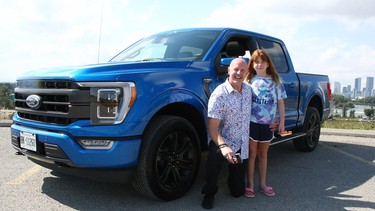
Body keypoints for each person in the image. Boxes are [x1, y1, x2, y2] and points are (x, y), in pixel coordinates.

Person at [201, 58, 252, 209]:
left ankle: (233, 180)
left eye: (243, 70)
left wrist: (274, 120)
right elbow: (212, 128)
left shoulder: (249, 91)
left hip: (241, 144)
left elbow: (262, 108)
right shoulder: (219, 95)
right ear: (228, 70)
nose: (239, 73)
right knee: (214, 155)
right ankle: (209, 193)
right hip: (221, 140)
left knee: (237, 192)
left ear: (247, 73)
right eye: (235, 69)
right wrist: (224, 147)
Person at [244, 49, 287, 198]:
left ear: (268, 63)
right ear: (252, 64)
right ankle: (250, 184)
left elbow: (280, 102)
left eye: (263, 61)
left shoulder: (276, 81)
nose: (260, 64)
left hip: (268, 124)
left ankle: (262, 184)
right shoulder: (248, 80)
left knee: (263, 154)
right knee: (252, 154)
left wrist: (281, 121)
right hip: (252, 123)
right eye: (256, 62)